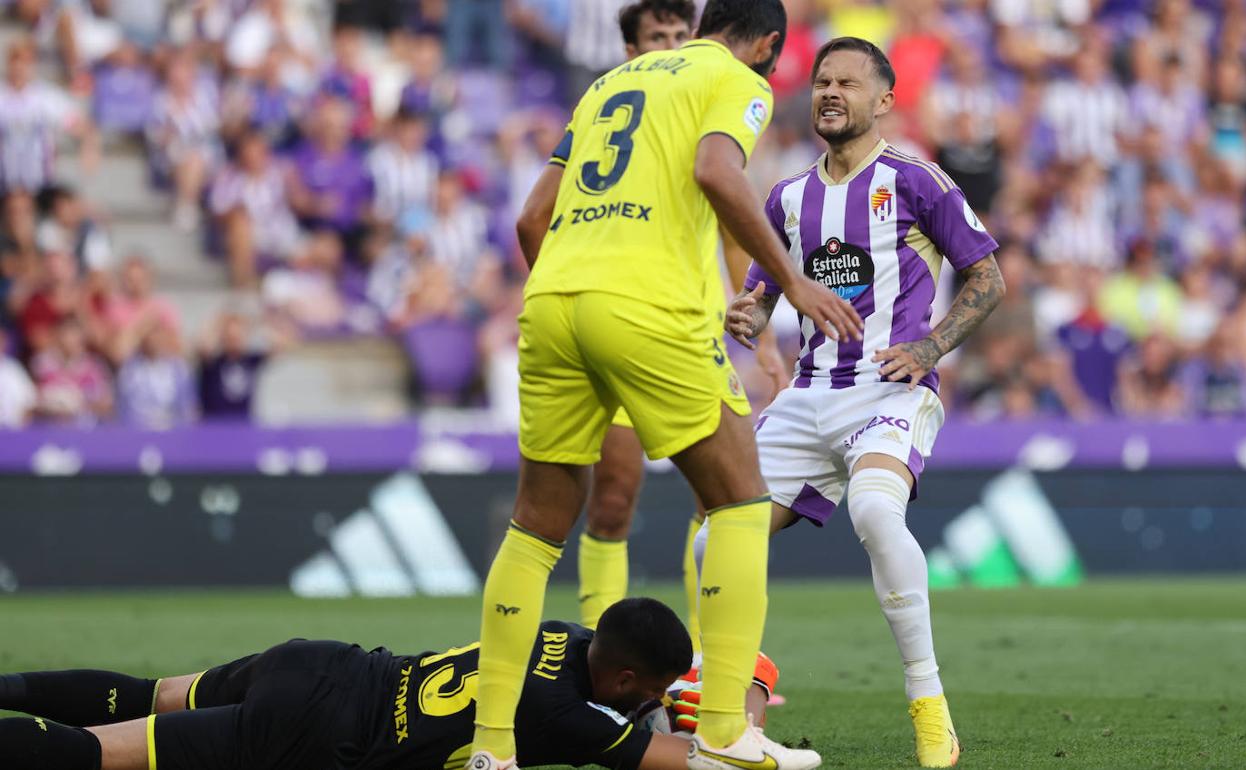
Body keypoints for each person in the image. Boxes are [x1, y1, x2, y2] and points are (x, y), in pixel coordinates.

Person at [472, 1, 863, 769]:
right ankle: (723, 736)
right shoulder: (732, 77)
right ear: (769, 46)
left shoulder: (609, 84)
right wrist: (794, 282)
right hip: (648, 307)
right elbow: (716, 171)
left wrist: (581, 305)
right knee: (743, 502)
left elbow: (531, 219)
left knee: (535, 529)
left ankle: (490, 751)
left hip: (551, 303)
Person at [720, 37, 1005, 768]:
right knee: (711, 542)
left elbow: (988, 279)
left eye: (847, 82)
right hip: (809, 395)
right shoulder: (787, 196)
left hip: (890, 391)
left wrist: (931, 349)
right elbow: (760, 293)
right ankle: (734, 705)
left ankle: (929, 702)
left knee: (875, 510)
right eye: (821, 81)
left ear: (884, 100)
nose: (829, 92)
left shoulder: (918, 179)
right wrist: (747, 314)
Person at [519, 0, 785, 641]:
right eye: (656, 36)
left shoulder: (631, 100)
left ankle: (697, 651)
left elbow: (729, 239)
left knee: (695, 500)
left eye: (677, 33)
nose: (669, 43)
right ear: (633, 50)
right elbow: (534, 219)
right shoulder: (702, 96)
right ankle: (694, 692)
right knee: (639, 501)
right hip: (650, 316)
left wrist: (766, 338)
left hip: (631, 317)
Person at [0, 598, 713, 770]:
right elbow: (693, 762)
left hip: (324, 662)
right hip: (321, 727)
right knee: (97, 753)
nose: (651, 702)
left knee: (146, 694)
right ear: (621, 677)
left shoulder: (559, 632)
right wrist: (732, 712)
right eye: (649, 689)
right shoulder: (566, 716)